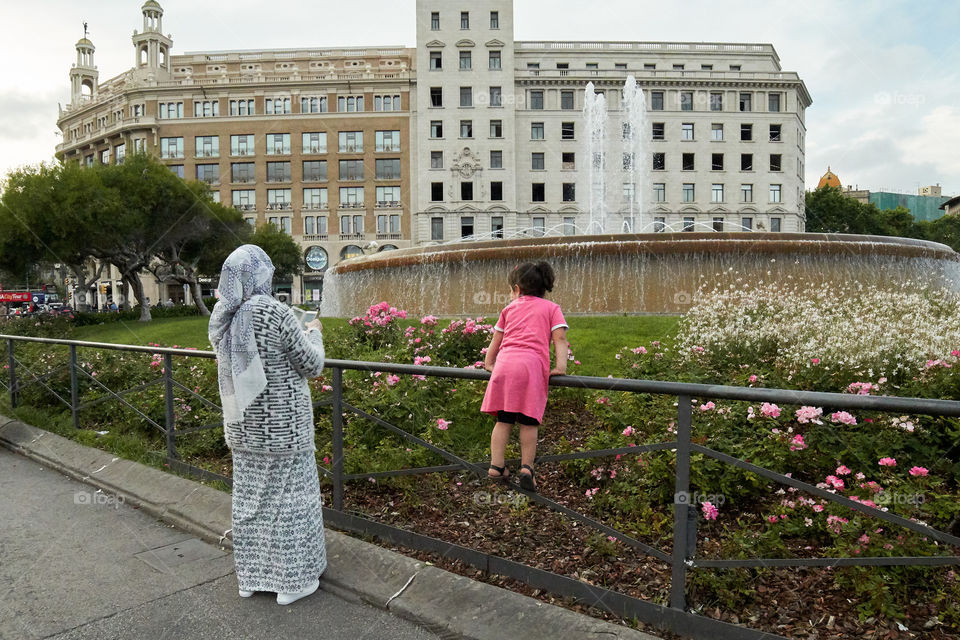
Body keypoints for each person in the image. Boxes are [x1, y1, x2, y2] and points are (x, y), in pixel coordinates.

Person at [208, 245, 327, 606]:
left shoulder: (224, 317)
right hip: (284, 429)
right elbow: (311, 364)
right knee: (292, 501)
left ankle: (251, 578)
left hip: (243, 428)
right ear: (260, 275)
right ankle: (293, 583)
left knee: (250, 502)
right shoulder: (275, 312)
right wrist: (314, 331)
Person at [481, 262, 569, 493]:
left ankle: (496, 466)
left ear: (517, 289)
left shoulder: (509, 309)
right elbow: (559, 338)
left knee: (504, 419)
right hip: (531, 367)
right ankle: (527, 468)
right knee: (529, 421)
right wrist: (560, 366)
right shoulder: (551, 308)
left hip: (505, 364)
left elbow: (496, 340)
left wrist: (489, 363)